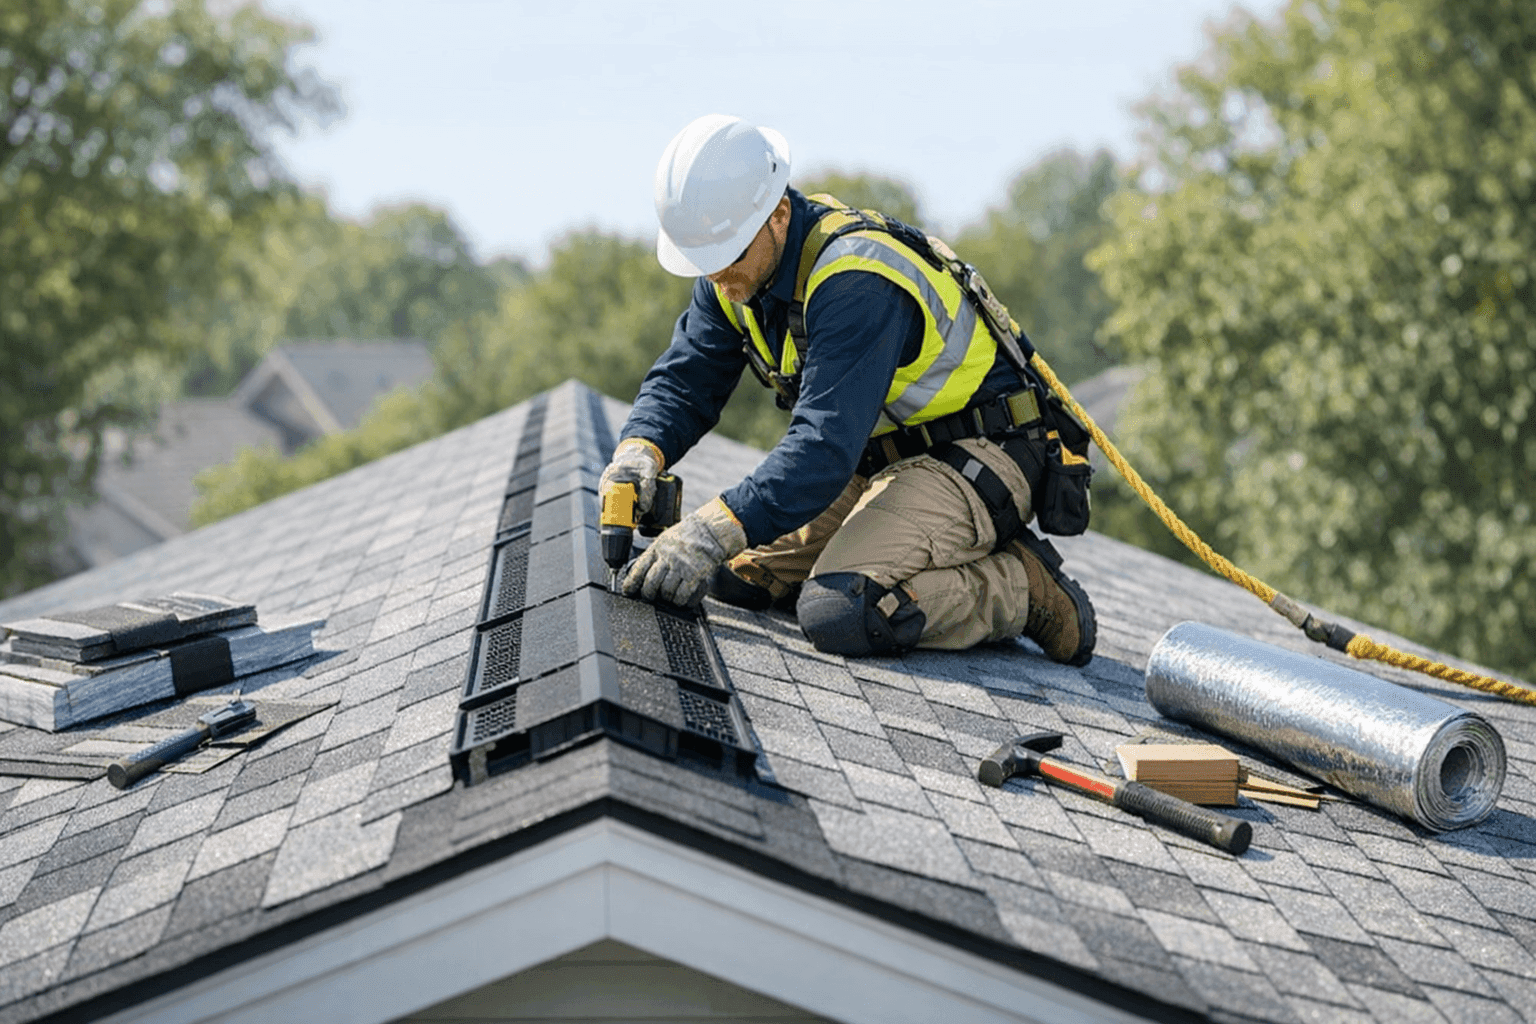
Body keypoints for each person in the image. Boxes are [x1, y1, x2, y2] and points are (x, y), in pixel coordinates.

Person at [601, 114, 1096, 665]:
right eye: (704, 263)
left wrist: (711, 527)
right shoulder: (732, 275)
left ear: (779, 216)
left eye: (729, 257)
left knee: (845, 611)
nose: (719, 279)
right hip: (880, 458)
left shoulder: (856, 280)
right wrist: (637, 451)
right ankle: (907, 544)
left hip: (984, 454)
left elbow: (822, 447)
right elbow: (687, 377)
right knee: (733, 577)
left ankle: (1019, 587)